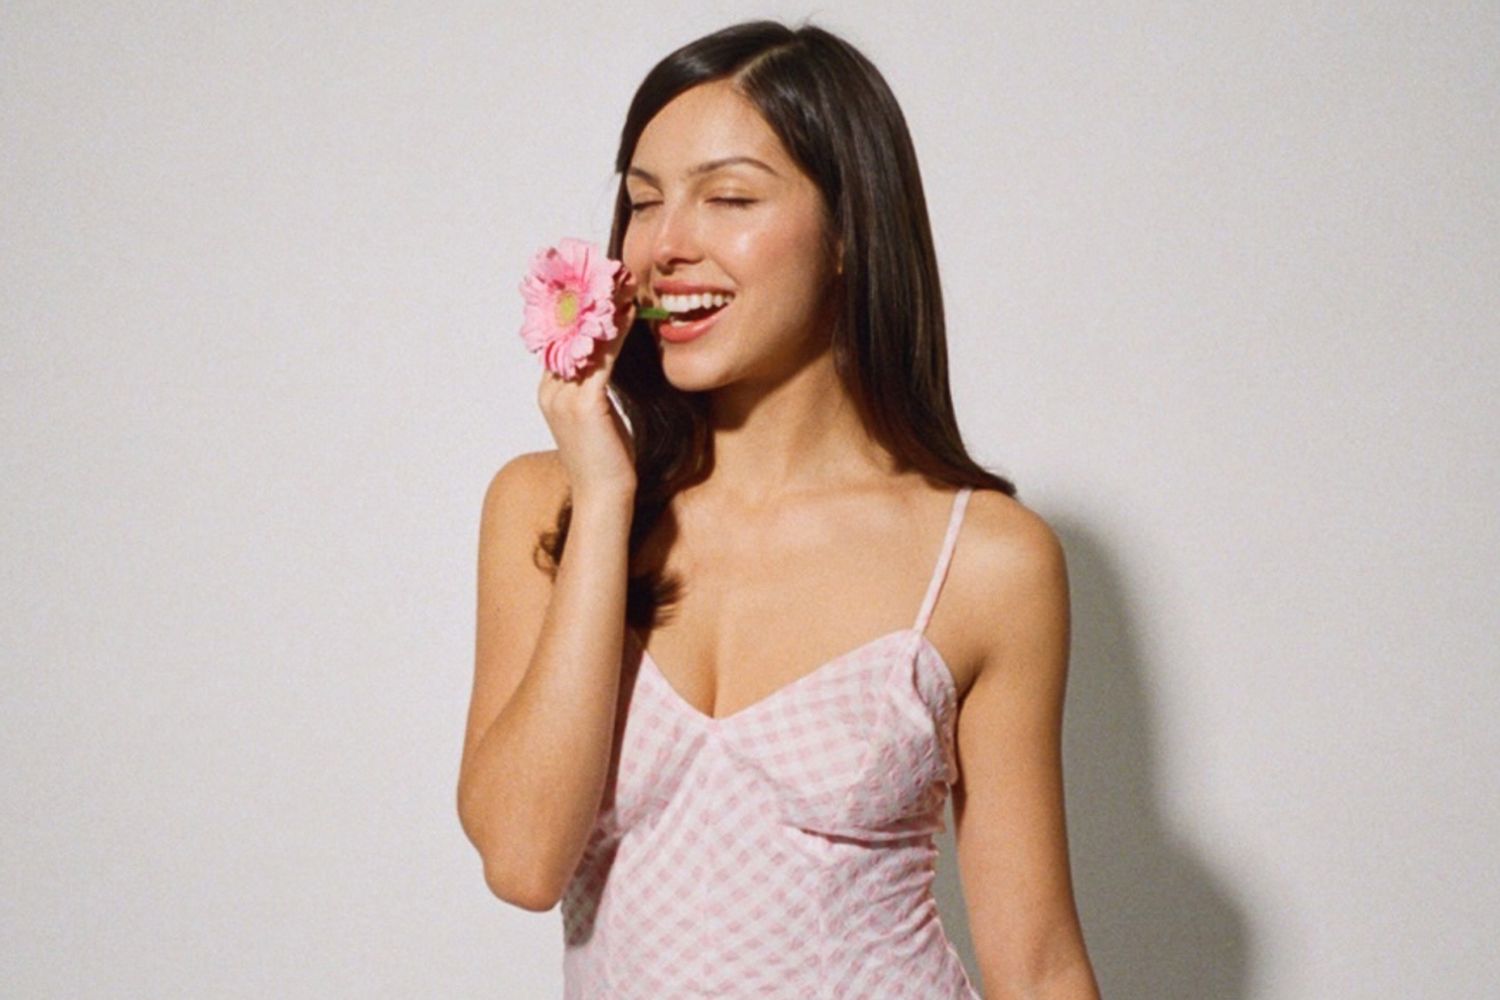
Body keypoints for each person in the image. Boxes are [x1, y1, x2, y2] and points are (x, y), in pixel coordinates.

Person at [457, 18, 1101, 999]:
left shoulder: (984, 560)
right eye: (643, 201)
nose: (666, 245)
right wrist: (606, 494)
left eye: (728, 197)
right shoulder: (547, 506)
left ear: (849, 232)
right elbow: (522, 860)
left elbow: (1040, 962)